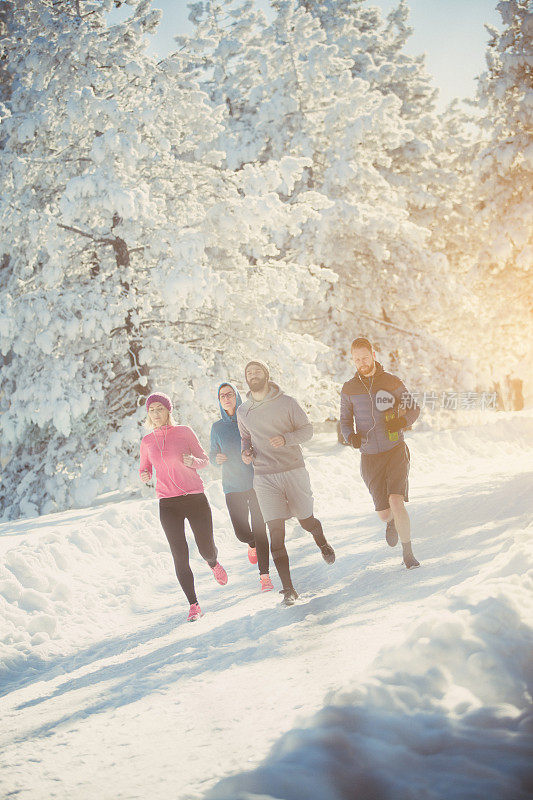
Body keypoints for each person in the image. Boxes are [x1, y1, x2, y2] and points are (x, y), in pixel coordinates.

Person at [237, 361, 335, 606]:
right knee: (275, 532)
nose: (253, 375)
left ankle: (322, 542)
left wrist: (286, 438)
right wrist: (245, 453)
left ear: (267, 376)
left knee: (306, 521)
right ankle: (289, 589)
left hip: (293, 469)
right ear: (246, 379)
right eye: (249, 373)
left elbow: (307, 431)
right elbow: (245, 438)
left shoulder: (287, 403)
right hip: (264, 476)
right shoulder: (243, 411)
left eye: (257, 371)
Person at [139, 392, 228, 622]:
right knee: (180, 555)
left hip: (194, 498)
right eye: (152, 410)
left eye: (160, 408)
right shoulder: (147, 441)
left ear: (168, 410)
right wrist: (145, 474)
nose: (156, 413)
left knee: (206, 548)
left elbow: (204, 460)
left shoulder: (184, 432)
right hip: (168, 504)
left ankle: (213, 562)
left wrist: (193, 462)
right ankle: (193, 604)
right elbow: (144, 467)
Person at [340, 337, 421, 569]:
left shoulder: (392, 381)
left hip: (395, 449)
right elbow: (345, 420)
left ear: (373, 355)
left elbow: (414, 408)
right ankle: (390, 522)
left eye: (365, 358)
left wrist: (402, 422)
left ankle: (408, 554)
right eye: (357, 360)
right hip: (369, 455)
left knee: (396, 500)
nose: (362, 363)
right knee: (385, 514)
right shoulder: (349, 388)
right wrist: (350, 436)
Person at [210, 382, 273, 592]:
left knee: (260, 530)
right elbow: (212, 454)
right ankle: (252, 543)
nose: (226, 398)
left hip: (256, 483)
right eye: (222, 396)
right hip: (232, 486)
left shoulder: (249, 418)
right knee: (241, 533)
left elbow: (262, 444)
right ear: (219, 401)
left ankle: (265, 576)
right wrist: (216, 458)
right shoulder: (217, 427)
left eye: (229, 394)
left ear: (236, 396)